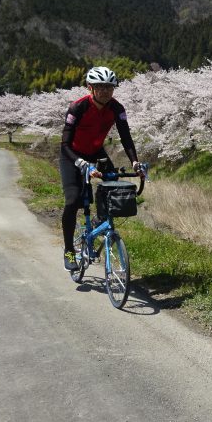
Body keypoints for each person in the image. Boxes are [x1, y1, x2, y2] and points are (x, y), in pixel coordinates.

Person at [59, 66, 141, 271]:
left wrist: (135, 162)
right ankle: (69, 250)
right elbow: (65, 144)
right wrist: (81, 163)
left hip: (96, 152)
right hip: (72, 155)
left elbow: (126, 137)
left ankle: (99, 220)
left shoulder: (117, 109)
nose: (105, 91)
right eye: (100, 87)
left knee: (115, 189)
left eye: (109, 87)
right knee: (72, 200)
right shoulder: (78, 108)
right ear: (90, 88)